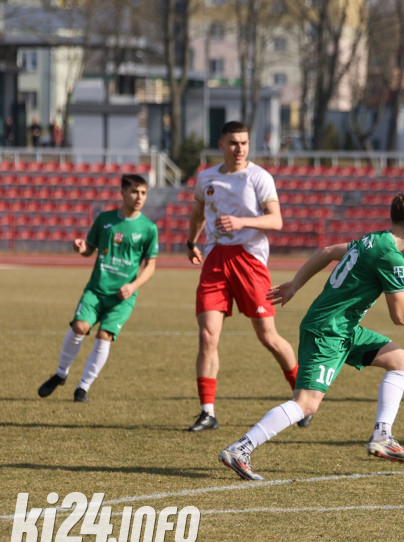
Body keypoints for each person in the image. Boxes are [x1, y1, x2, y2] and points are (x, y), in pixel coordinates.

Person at [218, 193, 404, 480]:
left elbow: (326, 251)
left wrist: (296, 285)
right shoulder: (391, 256)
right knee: (306, 403)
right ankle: (241, 448)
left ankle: (382, 436)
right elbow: (401, 316)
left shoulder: (373, 239)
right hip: (327, 331)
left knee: (400, 360)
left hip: (344, 328)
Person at [185, 121, 299, 432]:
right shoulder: (206, 178)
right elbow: (198, 212)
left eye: (244, 143)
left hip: (249, 261)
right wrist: (191, 241)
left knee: (268, 337)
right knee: (208, 336)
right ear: (221, 144)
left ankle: (302, 395)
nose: (240, 149)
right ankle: (207, 412)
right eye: (233, 143)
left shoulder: (259, 177)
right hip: (215, 260)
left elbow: (276, 221)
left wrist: (241, 222)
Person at [37, 175, 159, 402]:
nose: (139, 197)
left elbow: (151, 266)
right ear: (122, 193)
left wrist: (133, 286)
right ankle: (61, 374)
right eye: (134, 191)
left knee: (104, 335)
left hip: (123, 297)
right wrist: (81, 247)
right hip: (96, 290)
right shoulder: (105, 219)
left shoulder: (149, 228)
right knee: (79, 327)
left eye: (143, 193)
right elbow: (89, 249)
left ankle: (82, 388)